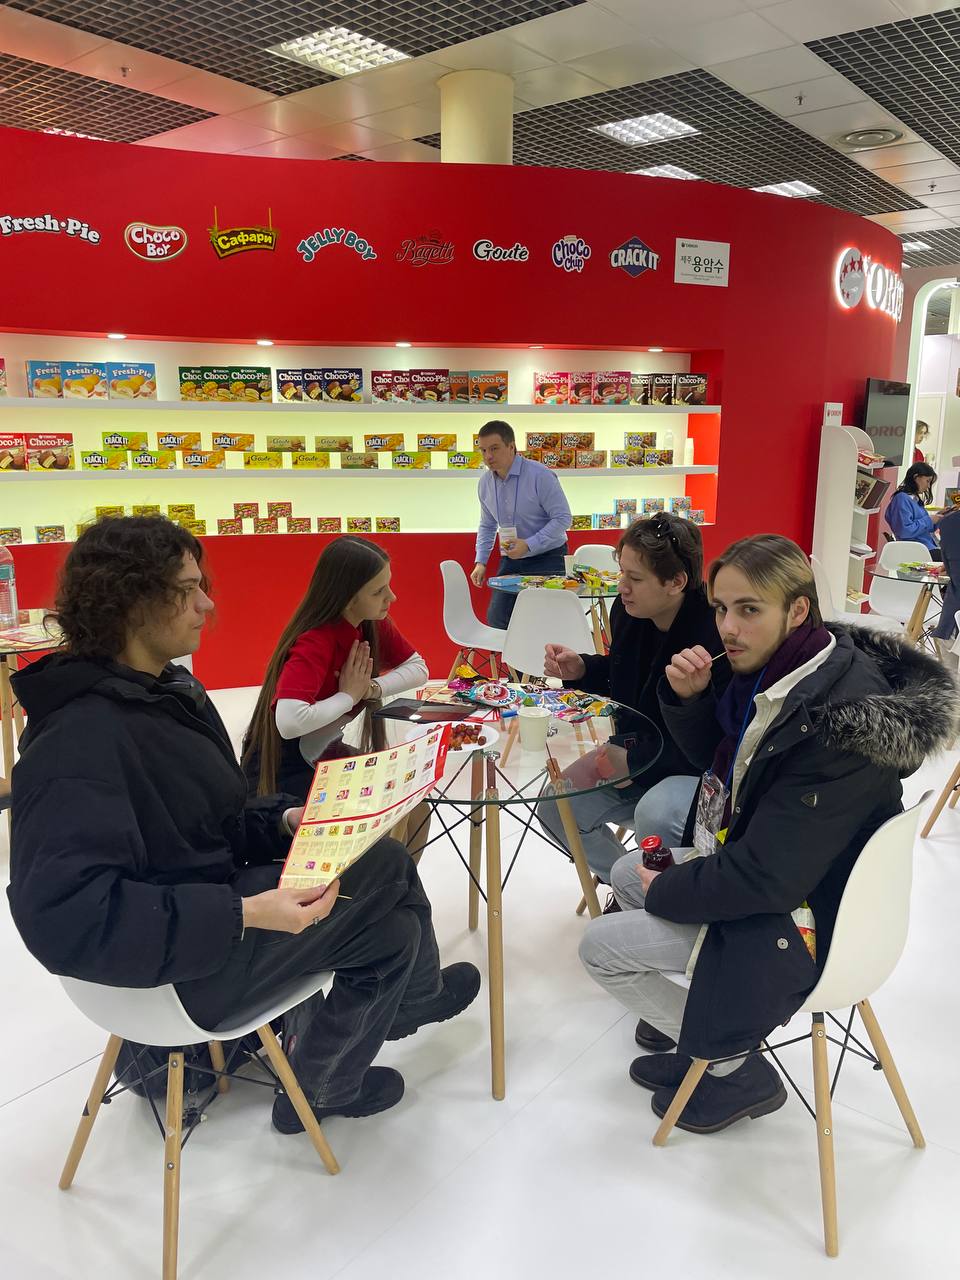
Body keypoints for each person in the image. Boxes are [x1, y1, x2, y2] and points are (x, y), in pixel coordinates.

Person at [7, 516, 480, 1129]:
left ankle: (335, 1071)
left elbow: (212, 820)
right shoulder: (79, 738)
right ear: (131, 602)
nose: (207, 605)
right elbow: (65, 918)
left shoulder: (165, 692)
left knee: (389, 915)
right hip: (174, 967)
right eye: (188, 590)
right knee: (387, 880)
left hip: (199, 920)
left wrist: (284, 820)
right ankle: (366, 1043)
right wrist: (245, 912)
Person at [579, 534, 957, 1134]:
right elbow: (725, 768)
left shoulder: (836, 722)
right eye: (721, 608)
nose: (728, 627)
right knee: (629, 871)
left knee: (601, 947)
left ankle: (732, 1064)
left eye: (749, 609)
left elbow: (764, 880)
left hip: (809, 919)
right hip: (786, 870)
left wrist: (667, 889)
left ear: (797, 610)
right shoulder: (785, 669)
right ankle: (707, 1042)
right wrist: (690, 700)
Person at [536, 513, 730, 883]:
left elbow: (716, 743)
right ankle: (629, 888)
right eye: (621, 572)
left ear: (676, 582)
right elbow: (625, 678)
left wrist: (633, 761)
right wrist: (583, 668)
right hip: (633, 756)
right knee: (555, 806)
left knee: (655, 814)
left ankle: (662, 894)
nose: (621, 586)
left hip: (694, 776)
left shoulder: (715, 633)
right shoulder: (628, 614)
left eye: (635, 578)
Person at [242, 537, 431, 857]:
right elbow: (288, 722)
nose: (392, 597)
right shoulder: (315, 640)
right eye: (378, 591)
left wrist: (370, 689)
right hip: (284, 771)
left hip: (321, 752)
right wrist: (348, 696)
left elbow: (419, 668)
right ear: (348, 597)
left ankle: (399, 883)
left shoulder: (371, 625)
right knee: (387, 821)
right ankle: (385, 878)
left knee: (417, 807)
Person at [470, 420, 572, 629]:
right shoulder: (485, 483)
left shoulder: (540, 475)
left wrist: (529, 544)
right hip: (511, 558)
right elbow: (487, 525)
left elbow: (563, 518)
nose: (488, 456)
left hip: (548, 557)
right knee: (498, 618)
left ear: (511, 447)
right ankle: (516, 653)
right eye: (483, 450)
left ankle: (543, 651)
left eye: (494, 448)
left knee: (543, 621)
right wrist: (481, 561)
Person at [885, 462, 952, 557]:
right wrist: (929, 520)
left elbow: (926, 528)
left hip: (927, 547)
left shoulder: (914, 500)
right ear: (916, 477)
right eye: (927, 481)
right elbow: (904, 531)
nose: (928, 486)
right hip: (918, 551)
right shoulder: (901, 499)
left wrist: (940, 516)